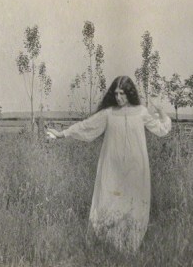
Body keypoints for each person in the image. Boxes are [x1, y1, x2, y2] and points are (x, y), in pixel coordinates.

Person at [47, 75, 171, 253]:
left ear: (129, 93)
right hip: (112, 167)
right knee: (111, 201)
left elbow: (161, 129)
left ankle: (130, 249)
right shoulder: (108, 113)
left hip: (136, 167)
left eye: (122, 93)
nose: (119, 97)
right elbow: (86, 126)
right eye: (116, 93)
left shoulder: (141, 112)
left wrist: (161, 111)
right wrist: (62, 134)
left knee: (134, 204)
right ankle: (112, 248)